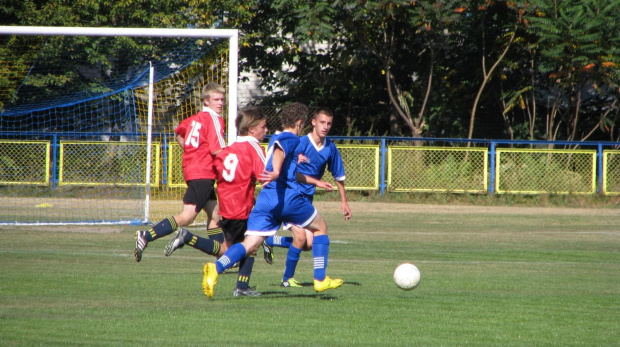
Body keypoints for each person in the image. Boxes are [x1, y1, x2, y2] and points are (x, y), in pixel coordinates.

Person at [201, 102, 343, 299]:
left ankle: (215, 268)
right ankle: (320, 278)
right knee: (320, 227)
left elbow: (289, 170)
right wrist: (276, 170)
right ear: (300, 123)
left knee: (250, 244)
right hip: (287, 199)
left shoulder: (274, 136)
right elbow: (280, 151)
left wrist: (315, 182)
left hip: (266, 200)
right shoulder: (290, 138)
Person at [163, 106, 269, 296]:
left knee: (227, 248)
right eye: (263, 126)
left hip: (226, 206)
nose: (266, 130)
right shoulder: (254, 148)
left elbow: (220, 171)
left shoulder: (229, 149)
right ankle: (239, 285)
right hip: (242, 207)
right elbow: (265, 176)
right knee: (249, 245)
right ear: (252, 129)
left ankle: (188, 238)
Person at [133, 83, 226, 262]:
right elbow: (217, 150)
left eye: (222, 99)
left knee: (215, 214)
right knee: (187, 216)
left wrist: (191, 151)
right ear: (206, 101)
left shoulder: (194, 119)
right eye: (216, 99)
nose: (220, 103)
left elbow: (179, 134)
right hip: (203, 171)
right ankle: (146, 235)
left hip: (193, 169)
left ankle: (223, 258)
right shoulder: (214, 119)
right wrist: (237, 159)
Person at [263, 108, 352, 288]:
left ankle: (270, 240)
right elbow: (281, 159)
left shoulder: (330, 148)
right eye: (322, 122)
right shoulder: (300, 142)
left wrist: (344, 202)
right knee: (302, 237)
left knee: (308, 243)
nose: (325, 127)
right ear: (313, 122)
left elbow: (339, 177)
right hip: (289, 195)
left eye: (329, 124)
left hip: (305, 199)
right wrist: (296, 161)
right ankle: (289, 279)